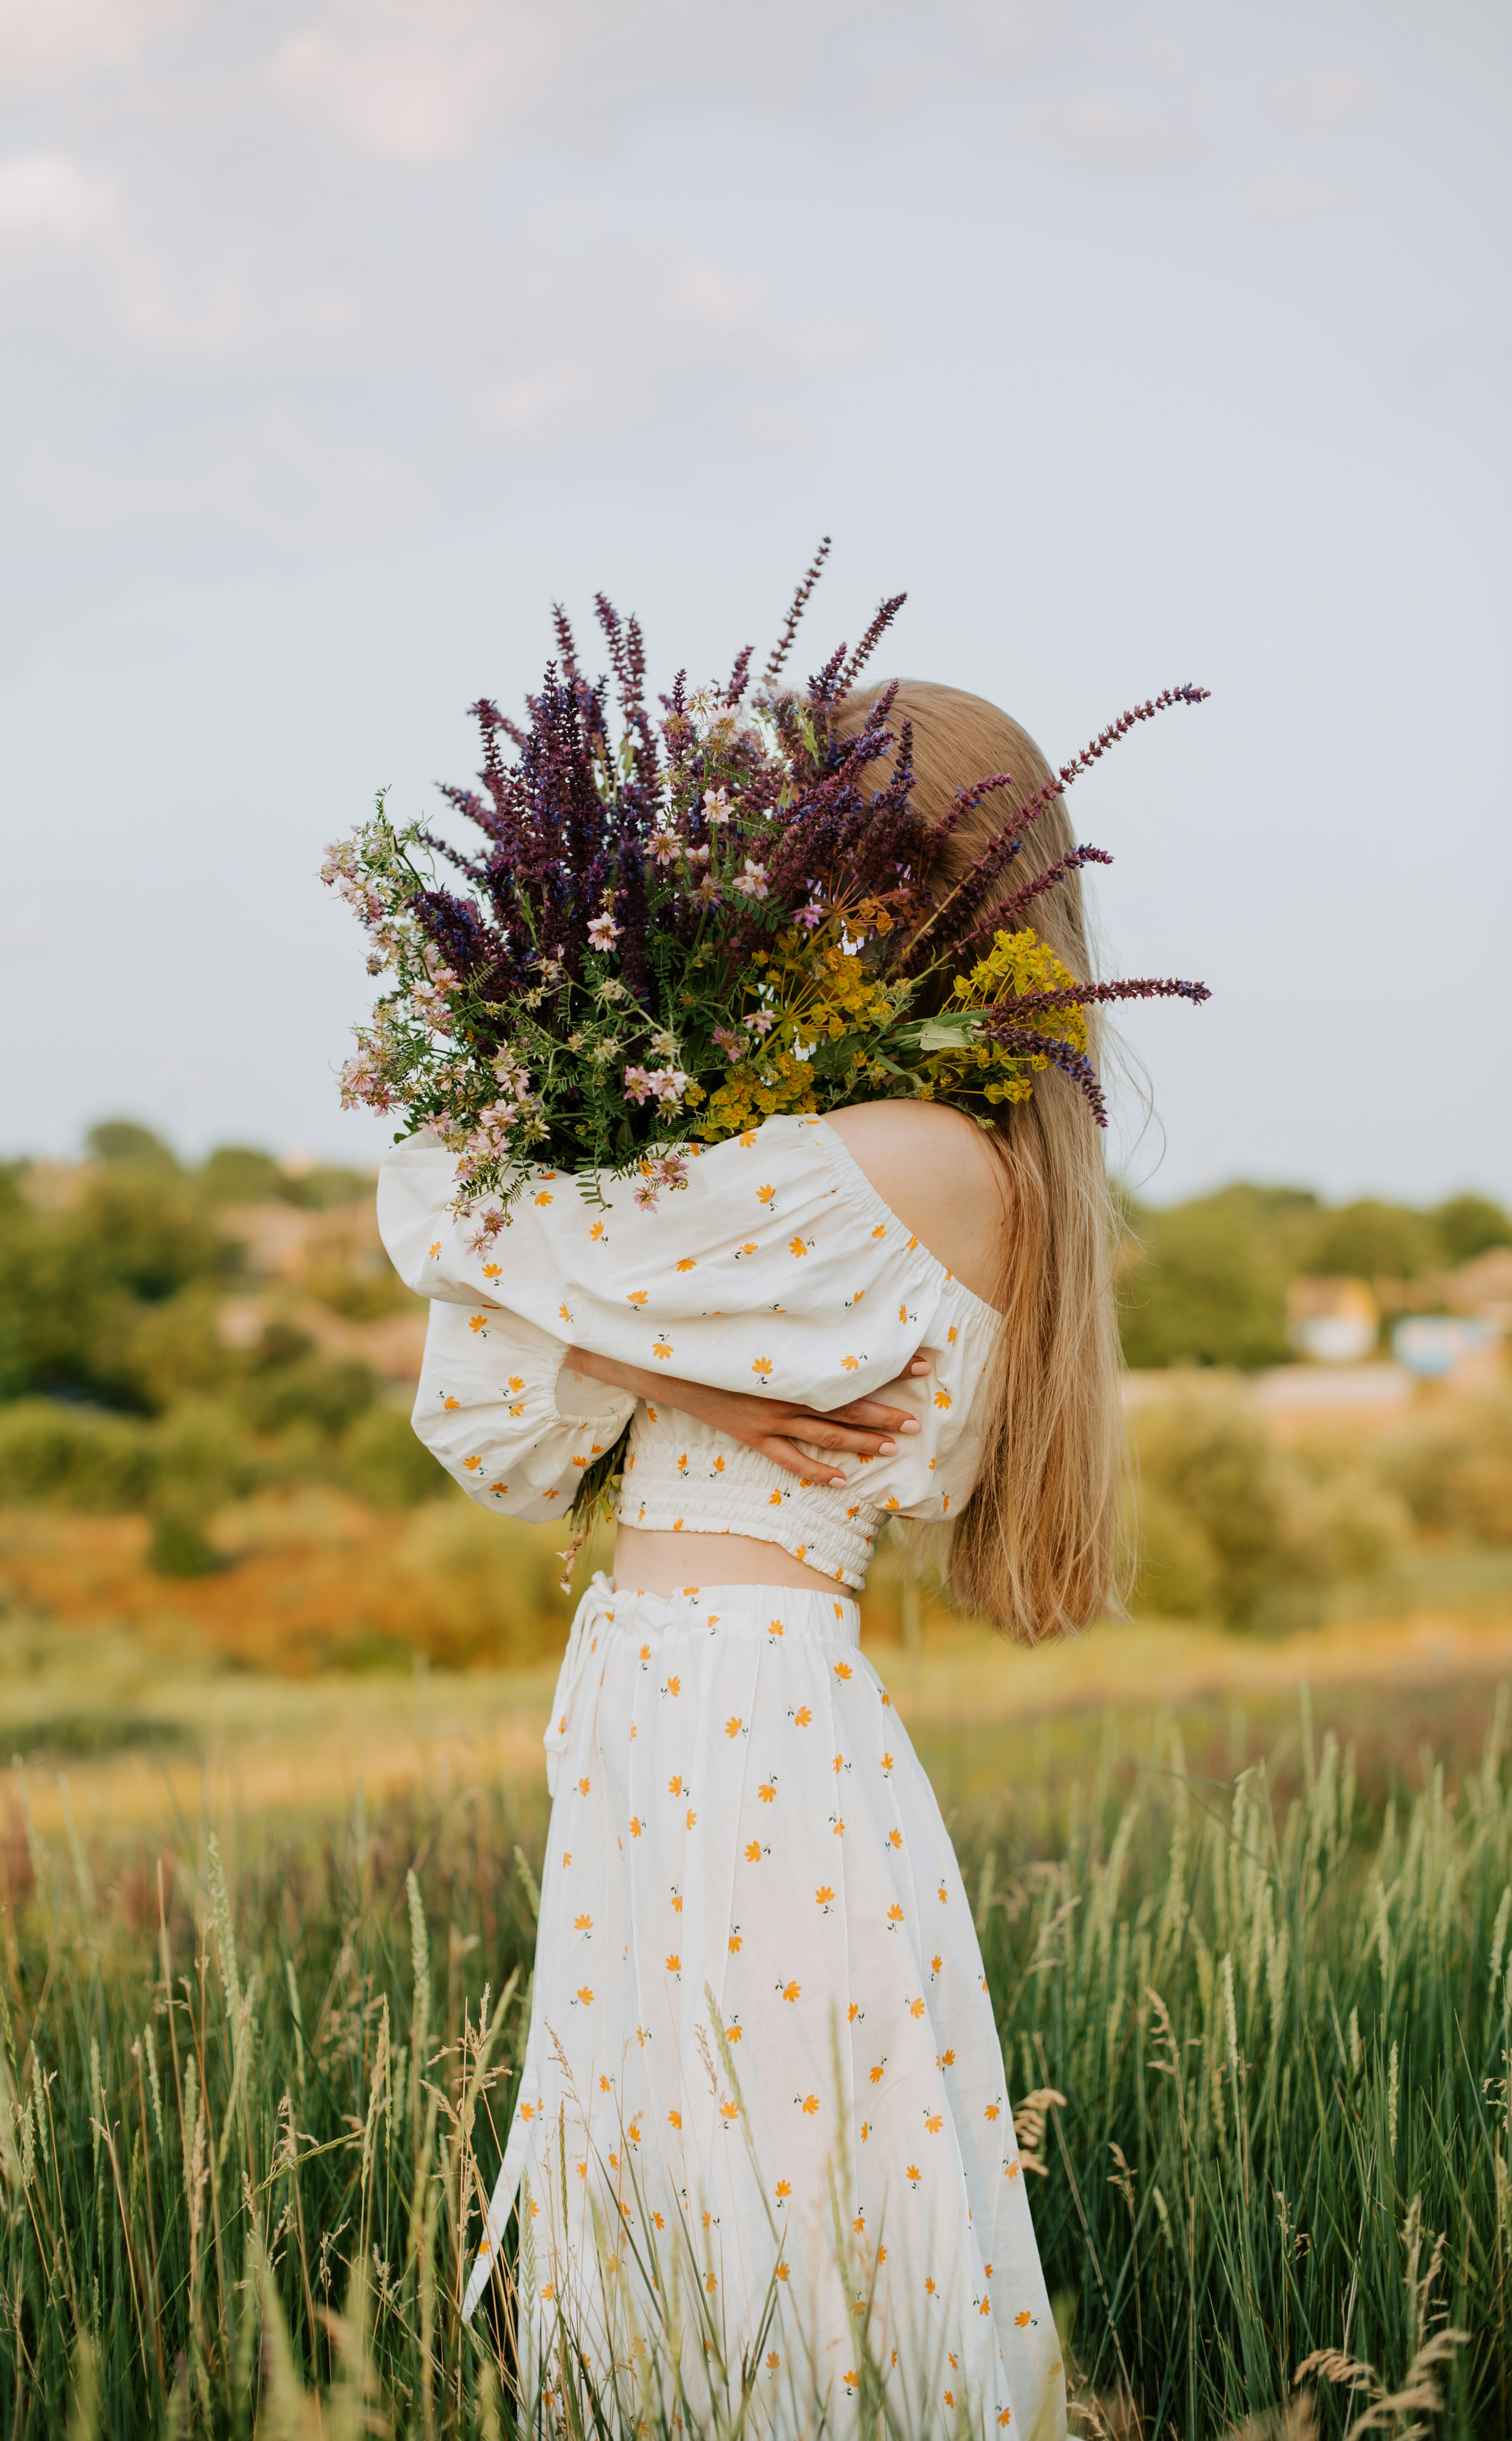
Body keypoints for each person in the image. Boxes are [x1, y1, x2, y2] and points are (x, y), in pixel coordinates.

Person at [378, 681, 1120, 2439]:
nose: (758, 894)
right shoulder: (897, 1148)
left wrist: (592, 1328)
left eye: (800, 851)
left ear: (884, 879)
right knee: (704, 2173)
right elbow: (486, 1409)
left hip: (732, 1710)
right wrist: (645, 1358)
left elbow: (448, 1208)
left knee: (749, 2190)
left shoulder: (902, 1158)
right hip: (693, 1701)